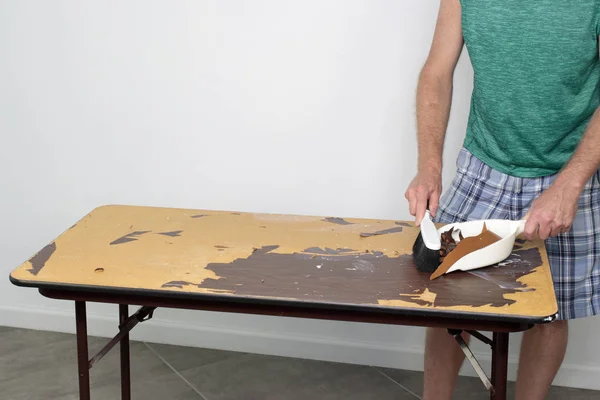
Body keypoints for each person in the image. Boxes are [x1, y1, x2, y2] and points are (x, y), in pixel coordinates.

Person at [404, 1, 600, 399]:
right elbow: (437, 72)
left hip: (571, 167)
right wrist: (429, 165)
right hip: (484, 161)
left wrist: (570, 183)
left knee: (550, 311)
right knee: (449, 303)